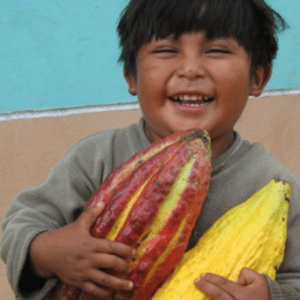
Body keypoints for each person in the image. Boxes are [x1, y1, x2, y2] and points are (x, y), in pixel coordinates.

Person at [1, 0, 299, 299]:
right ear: (131, 76)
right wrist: (49, 252)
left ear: (257, 78)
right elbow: (21, 224)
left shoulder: (272, 184)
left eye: (216, 50)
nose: (191, 69)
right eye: (167, 50)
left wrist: (272, 295)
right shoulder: (96, 157)